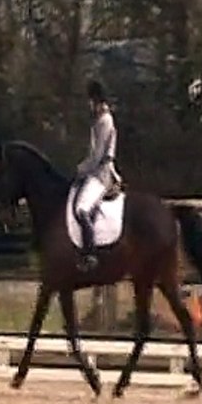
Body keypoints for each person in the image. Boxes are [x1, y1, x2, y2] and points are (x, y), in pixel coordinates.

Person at [73, 79, 122, 271]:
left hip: (100, 174)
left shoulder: (104, 121)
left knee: (82, 209)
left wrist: (80, 169)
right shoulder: (99, 120)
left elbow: (97, 156)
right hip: (96, 171)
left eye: (89, 100)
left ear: (95, 100)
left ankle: (90, 253)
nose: (88, 104)